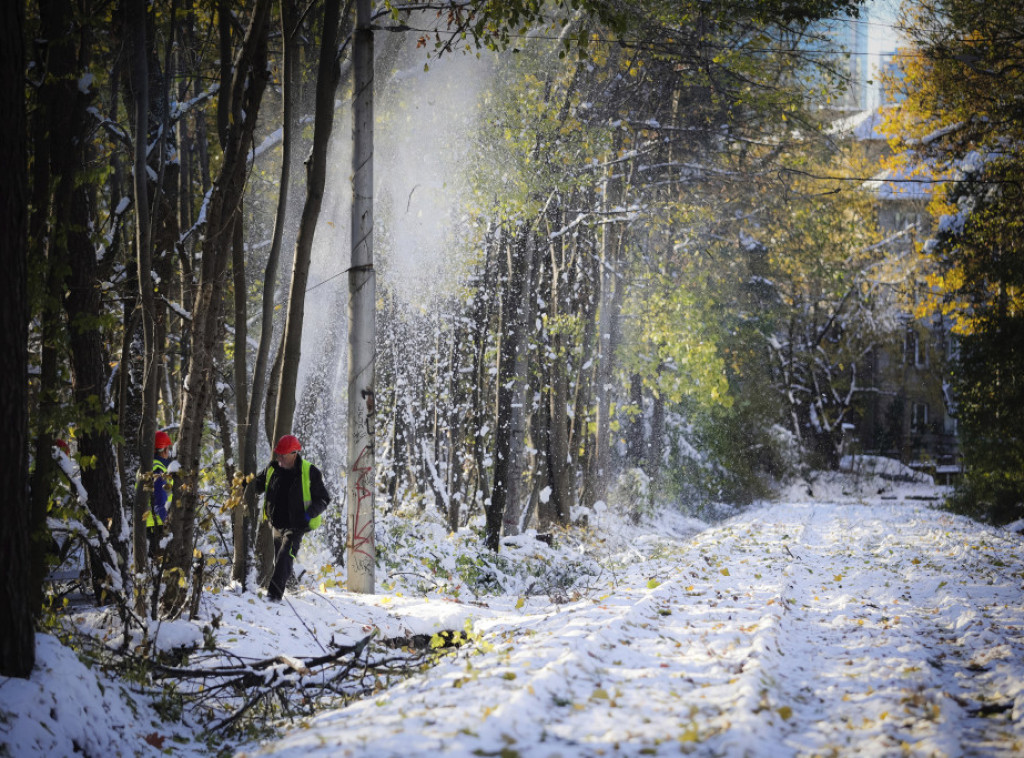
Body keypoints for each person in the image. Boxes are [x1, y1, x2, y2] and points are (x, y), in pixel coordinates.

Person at [254, 434, 330, 601]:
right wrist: (243, 483)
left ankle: (273, 597)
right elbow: (256, 485)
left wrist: (309, 513)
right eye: (278, 454)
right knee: (280, 559)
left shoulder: (310, 471)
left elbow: (324, 499)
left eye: (283, 455)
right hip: (277, 523)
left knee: (284, 557)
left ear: (294, 453)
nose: (279, 458)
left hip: (297, 525)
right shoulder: (272, 468)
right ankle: (293, 588)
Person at [145, 431, 174, 558]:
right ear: (164, 450)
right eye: (168, 448)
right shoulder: (158, 470)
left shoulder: (147, 466)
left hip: (150, 525)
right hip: (157, 526)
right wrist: (169, 527)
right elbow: (158, 504)